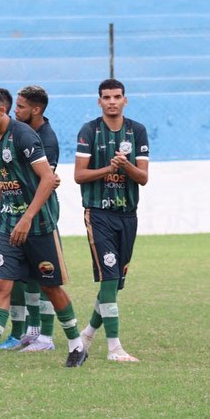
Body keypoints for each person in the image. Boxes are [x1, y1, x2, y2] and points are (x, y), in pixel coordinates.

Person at [0, 87, 86, 373]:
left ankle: (76, 345)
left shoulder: (25, 136)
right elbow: (0, 177)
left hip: (39, 224)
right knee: (1, 286)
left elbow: (48, 179)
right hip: (8, 223)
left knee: (50, 287)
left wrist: (28, 217)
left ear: (1, 110)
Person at [74, 78, 149, 363]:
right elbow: (79, 175)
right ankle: (114, 348)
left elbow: (143, 178)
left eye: (117, 96)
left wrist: (125, 165)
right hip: (98, 213)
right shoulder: (89, 131)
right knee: (109, 276)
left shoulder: (137, 131)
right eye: (106, 97)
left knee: (115, 283)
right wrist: (109, 168)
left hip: (128, 215)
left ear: (125, 100)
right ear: (99, 102)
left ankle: (88, 334)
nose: (112, 101)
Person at [12, 85, 61, 353]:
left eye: (20, 106)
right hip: (19, 209)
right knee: (29, 274)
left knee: (45, 272)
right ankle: (34, 331)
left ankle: (48, 337)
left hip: (39, 214)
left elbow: (46, 182)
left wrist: (28, 215)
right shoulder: (22, 133)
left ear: (36, 109)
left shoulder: (47, 140)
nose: (15, 110)